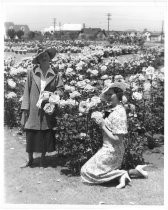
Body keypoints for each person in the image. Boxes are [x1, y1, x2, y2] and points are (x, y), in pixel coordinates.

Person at [80, 82, 148, 189]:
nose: (107, 97)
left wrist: (102, 126)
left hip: (113, 150)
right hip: (106, 147)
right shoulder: (110, 109)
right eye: (106, 95)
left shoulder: (120, 113)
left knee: (87, 172)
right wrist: (93, 113)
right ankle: (133, 171)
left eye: (110, 94)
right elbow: (103, 118)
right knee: (86, 171)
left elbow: (117, 139)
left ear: (118, 95)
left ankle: (122, 174)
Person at [20, 46, 64, 168]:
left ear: (50, 58)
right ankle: (30, 160)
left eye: (46, 56)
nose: (44, 58)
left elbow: (61, 89)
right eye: (41, 56)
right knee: (31, 133)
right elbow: (26, 93)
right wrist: (25, 111)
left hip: (47, 108)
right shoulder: (32, 73)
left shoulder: (55, 74)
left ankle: (42, 160)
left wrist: (54, 94)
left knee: (45, 133)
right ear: (38, 60)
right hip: (33, 109)